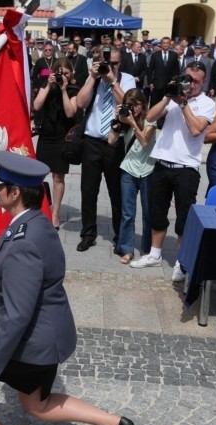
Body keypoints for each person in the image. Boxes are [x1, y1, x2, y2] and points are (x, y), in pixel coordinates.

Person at [0, 150, 139, 425]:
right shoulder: (37, 222)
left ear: (15, 192)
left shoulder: (24, 242)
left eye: (0, 187)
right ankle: (113, 423)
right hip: (50, 334)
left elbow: (19, 315)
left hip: (34, 339)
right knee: (37, 404)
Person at [130, 61, 216, 282]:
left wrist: (184, 102)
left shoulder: (207, 103)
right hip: (162, 163)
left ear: (203, 81)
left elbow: (197, 130)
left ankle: (181, 261)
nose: (191, 84)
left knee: (184, 218)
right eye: (187, 78)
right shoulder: (172, 97)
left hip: (186, 167)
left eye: (196, 81)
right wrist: (169, 95)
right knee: (157, 213)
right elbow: (150, 117)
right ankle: (155, 253)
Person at [75, 46, 136, 253]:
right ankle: (88, 234)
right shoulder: (94, 77)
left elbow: (127, 104)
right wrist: (93, 78)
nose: (110, 66)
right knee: (88, 191)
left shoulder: (126, 79)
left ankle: (120, 235)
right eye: (108, 63)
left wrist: (112, 81)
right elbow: (81, 103)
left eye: (115, 63)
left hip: (114, 141)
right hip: (92, 140)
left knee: (115, 191)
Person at [33, 59, 79, 230]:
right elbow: (37, 105)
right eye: (60, 73)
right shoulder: (47, 85)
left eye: (66, 73)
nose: (63, 76)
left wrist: (64, 89)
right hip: (46, 135)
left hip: (62, 137)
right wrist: (48, 85)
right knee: (39, 175)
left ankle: (56, 213)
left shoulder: (74, 89)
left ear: (71, 74)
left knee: (58, 177)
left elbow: (70, 112)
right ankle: (40, 208)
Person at [112, 89, 156, 264]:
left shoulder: (150, 119)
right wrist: (118, 120)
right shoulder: (124, 119)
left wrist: (132, 122)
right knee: (127, 213)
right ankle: (127, 249)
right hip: (128, 169)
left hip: (148, 170)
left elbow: (145, 142)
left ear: (143, 104)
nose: (134, 108)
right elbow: (110, 140)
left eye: (137, 104)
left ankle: (146, 249)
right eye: (131, 105)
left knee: (148, 213)